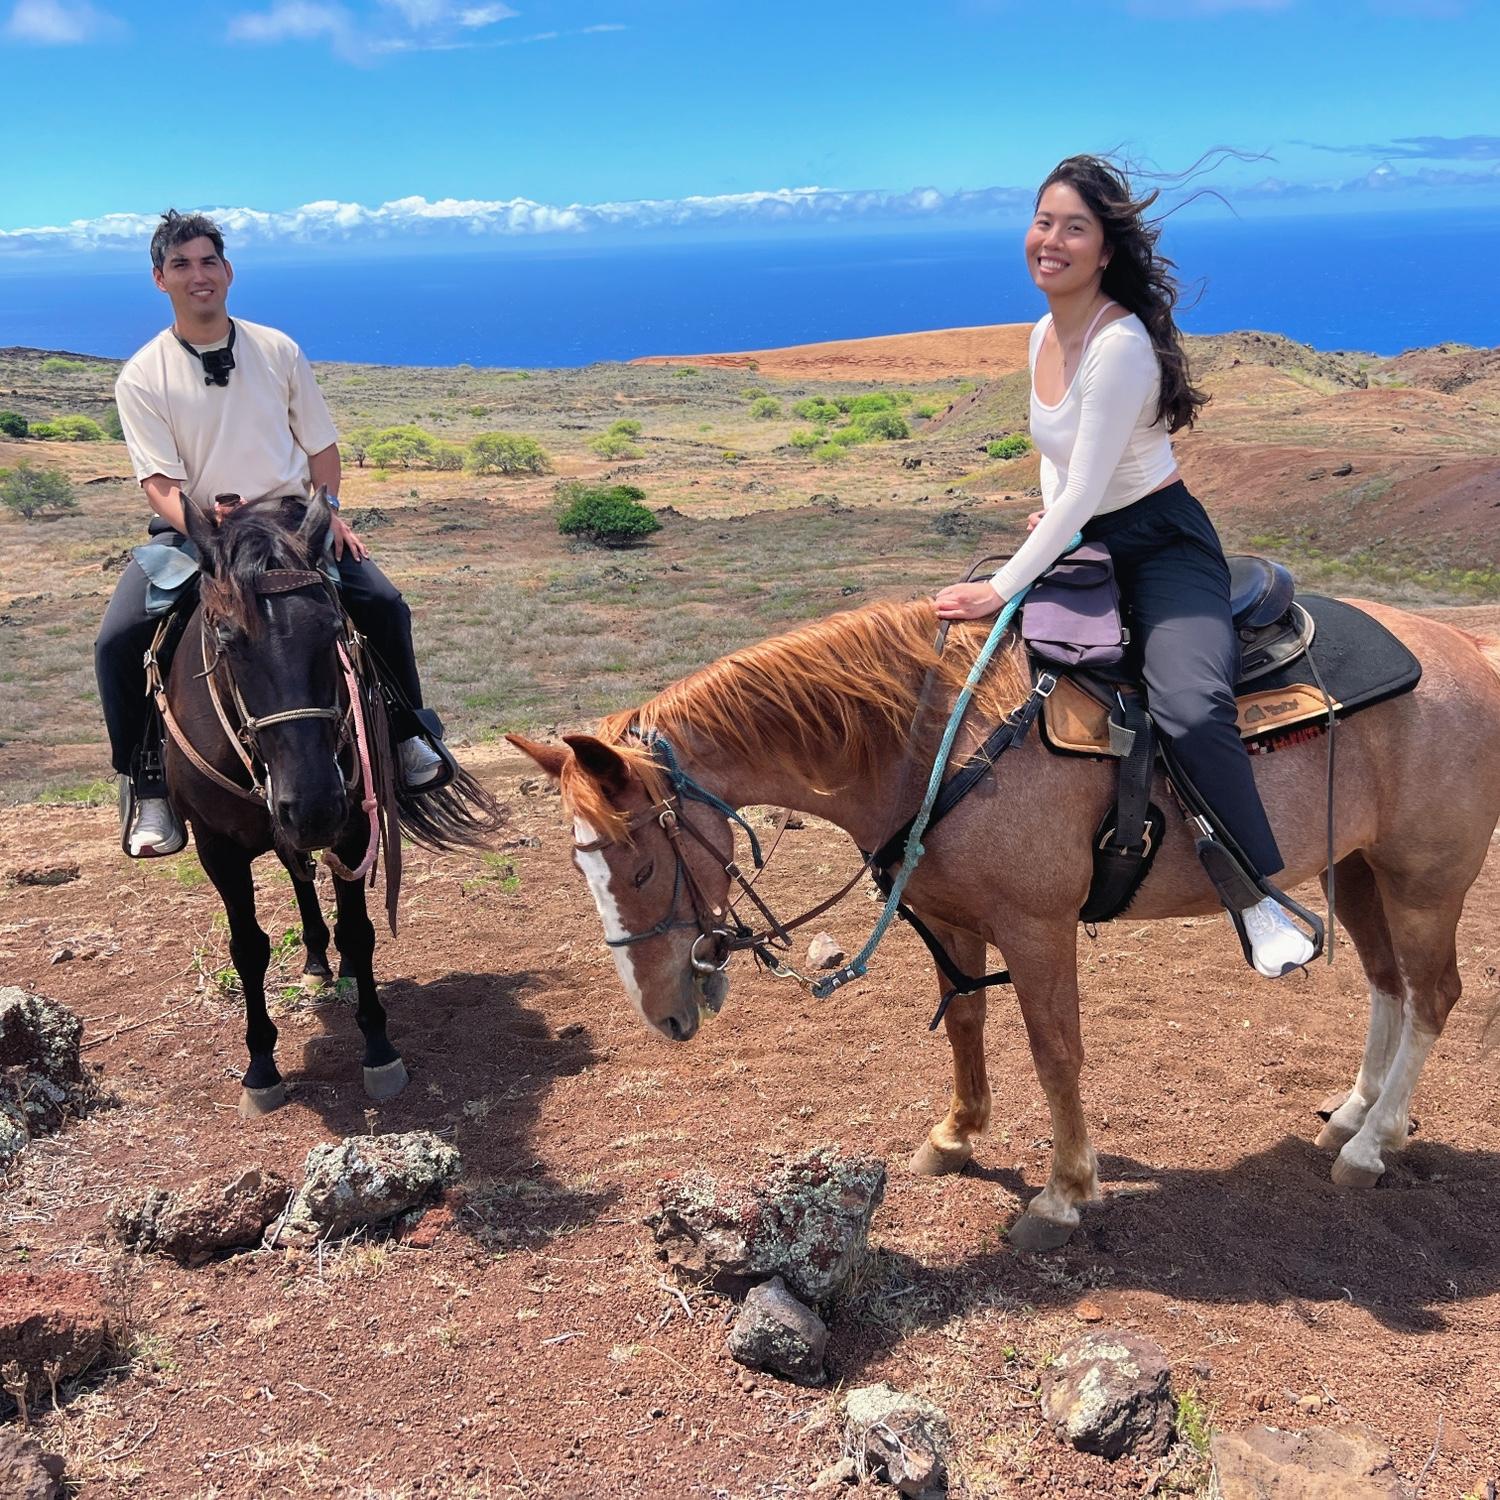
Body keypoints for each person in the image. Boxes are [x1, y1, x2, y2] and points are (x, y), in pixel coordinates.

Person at [934, 155, 1314, 978]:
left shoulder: (1121, 344)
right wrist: (1056, 523)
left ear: (1105, 250)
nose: (1052, 240)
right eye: (1044, 222)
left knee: (1187, 703)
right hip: (1089, 532)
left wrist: (1006, 582)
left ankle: (1259, 894)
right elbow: (1060, 466)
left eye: (1075, 228)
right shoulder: (1042, 333)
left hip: (1162, 541)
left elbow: (1087, 492)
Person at [95, 209, 448, 858]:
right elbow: (159, 483)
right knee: (116, 640)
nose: (198, 275)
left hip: (292, 525)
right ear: (160, 279)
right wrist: (205, 528)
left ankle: (406, 738)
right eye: (182, 265)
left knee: (386, 606)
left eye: (208, 262)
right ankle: (147, 784)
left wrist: (328, 508)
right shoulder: (142, 375)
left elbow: (322, 448)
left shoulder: (277, 349)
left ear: (227, 271)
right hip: (199, 532)